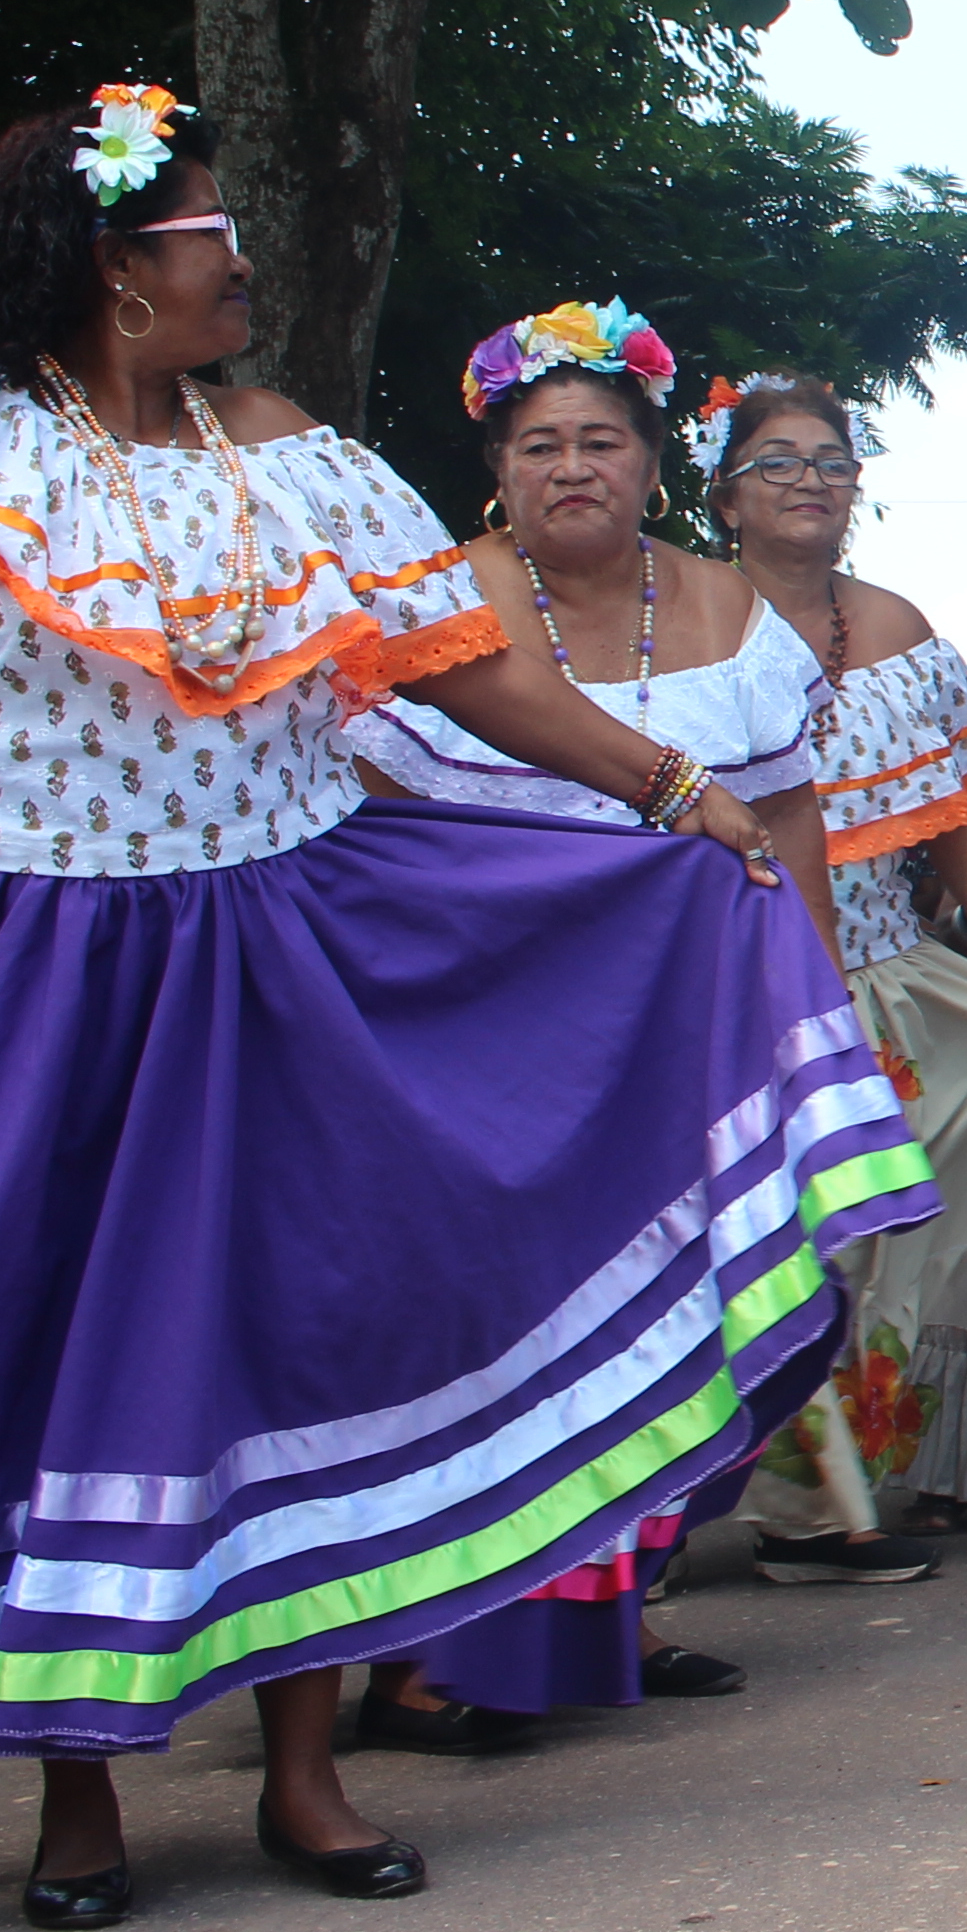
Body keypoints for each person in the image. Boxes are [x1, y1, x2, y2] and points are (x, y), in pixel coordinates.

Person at [0, 86, 902, 1926]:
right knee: (43, 1352)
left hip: (283, 956)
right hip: (18, 960)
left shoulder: (294, 454)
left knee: (296, 1338)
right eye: (209, 234)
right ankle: (79, 1798)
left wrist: (674, 795)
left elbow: (475, 679)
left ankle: (304, 1775)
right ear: (115, 270)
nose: (243, 262)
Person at [336, 298, 840, 1738]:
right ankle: (425, 1654)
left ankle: (618, 1601)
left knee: (703, 1301)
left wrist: (816, 1027)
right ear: (496, 468)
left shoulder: (732, 612)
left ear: (652, 459)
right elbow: (372, 840)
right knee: (493, 1335)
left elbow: (791, 828)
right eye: (540, 444)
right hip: (488, 1036)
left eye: (601, 442)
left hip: (686, 1032)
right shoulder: (438, 608)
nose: (572, 468)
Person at [709, 373, 967, 1550]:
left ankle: (818, 1491)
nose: (809, 484)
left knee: (890, 1214)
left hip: (890, 977)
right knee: (760, 1241)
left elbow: (955, 815)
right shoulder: (685, 619)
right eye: (778, 464)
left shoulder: (895, 631)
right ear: (726, 495)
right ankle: (681, 1515)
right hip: (742, 987)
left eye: (832, 464)